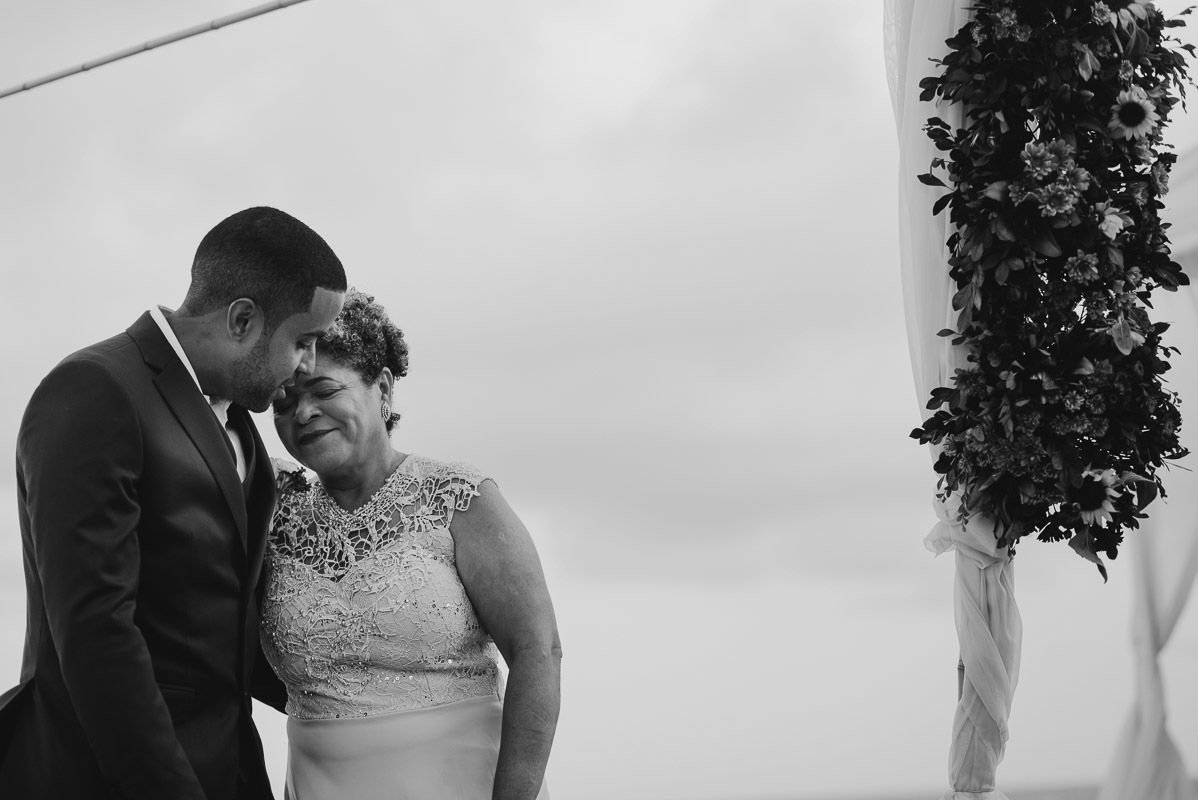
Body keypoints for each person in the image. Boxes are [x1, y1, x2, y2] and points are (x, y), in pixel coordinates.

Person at [0, 207, 348, 800]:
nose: (308, 366)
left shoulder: (238, 421)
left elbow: (218, 629)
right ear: (243, 320)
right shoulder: (95, 391)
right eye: (304, 341)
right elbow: (95, 633)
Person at [263, 289, 561, 800]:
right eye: (284, 401)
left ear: (381, 388)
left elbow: (539, 651)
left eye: (323, 390)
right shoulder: (275, 510)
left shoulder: (458, 498)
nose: (303, 413)